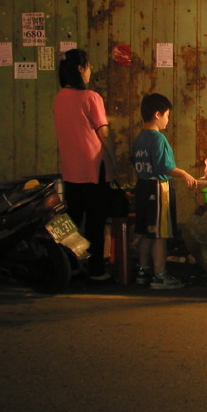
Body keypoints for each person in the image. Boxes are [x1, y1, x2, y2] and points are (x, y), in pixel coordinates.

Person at [52, 49, 116, 283]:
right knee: (96, 223)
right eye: (88, 66)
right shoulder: (91, 98)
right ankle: (96, 270)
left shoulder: (59, 99)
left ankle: (71, 264)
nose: (90, 71)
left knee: (72, 221)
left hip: (71, 170)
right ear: (80, 69)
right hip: (94, 168)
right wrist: (114, 162)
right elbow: (104, 135)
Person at [132, 92, 197, 290]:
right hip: (157, 188)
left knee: (145, 233)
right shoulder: (158, 139)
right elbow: (164, 167)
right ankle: (160, 276)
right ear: (158, 114)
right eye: (168, 115)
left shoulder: (139, 138)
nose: (168, 120)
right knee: (160, 235)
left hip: (142, 187)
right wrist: (184, 173)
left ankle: (143, 272)